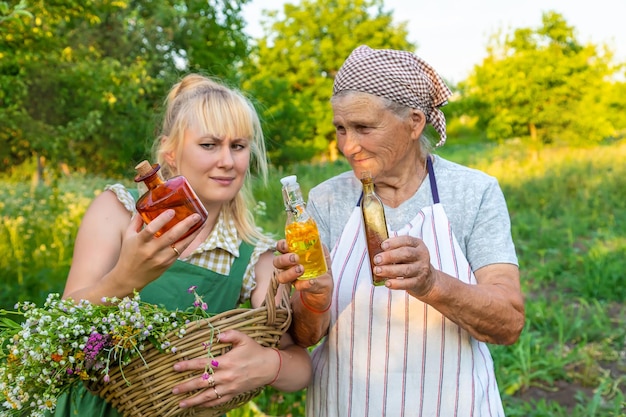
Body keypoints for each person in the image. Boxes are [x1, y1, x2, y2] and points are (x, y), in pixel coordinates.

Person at [274, 45, 525, 416]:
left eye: (363, 128)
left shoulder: (473, 192)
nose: (348, 146)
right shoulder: (327, 199)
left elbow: (508, 322)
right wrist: (315, 299)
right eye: (341, 129)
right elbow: (306, 336)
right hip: (346, 405)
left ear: (414, 122)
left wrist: (432, 283)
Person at [50, 73, 312, 416]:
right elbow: (59, 328)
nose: (227, 162)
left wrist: (267, 365)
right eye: (209, 145)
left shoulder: (251, 255)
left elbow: (300, 367)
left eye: (238, 146)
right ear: (170, 153)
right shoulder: (119, 213)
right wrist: (126, 278)